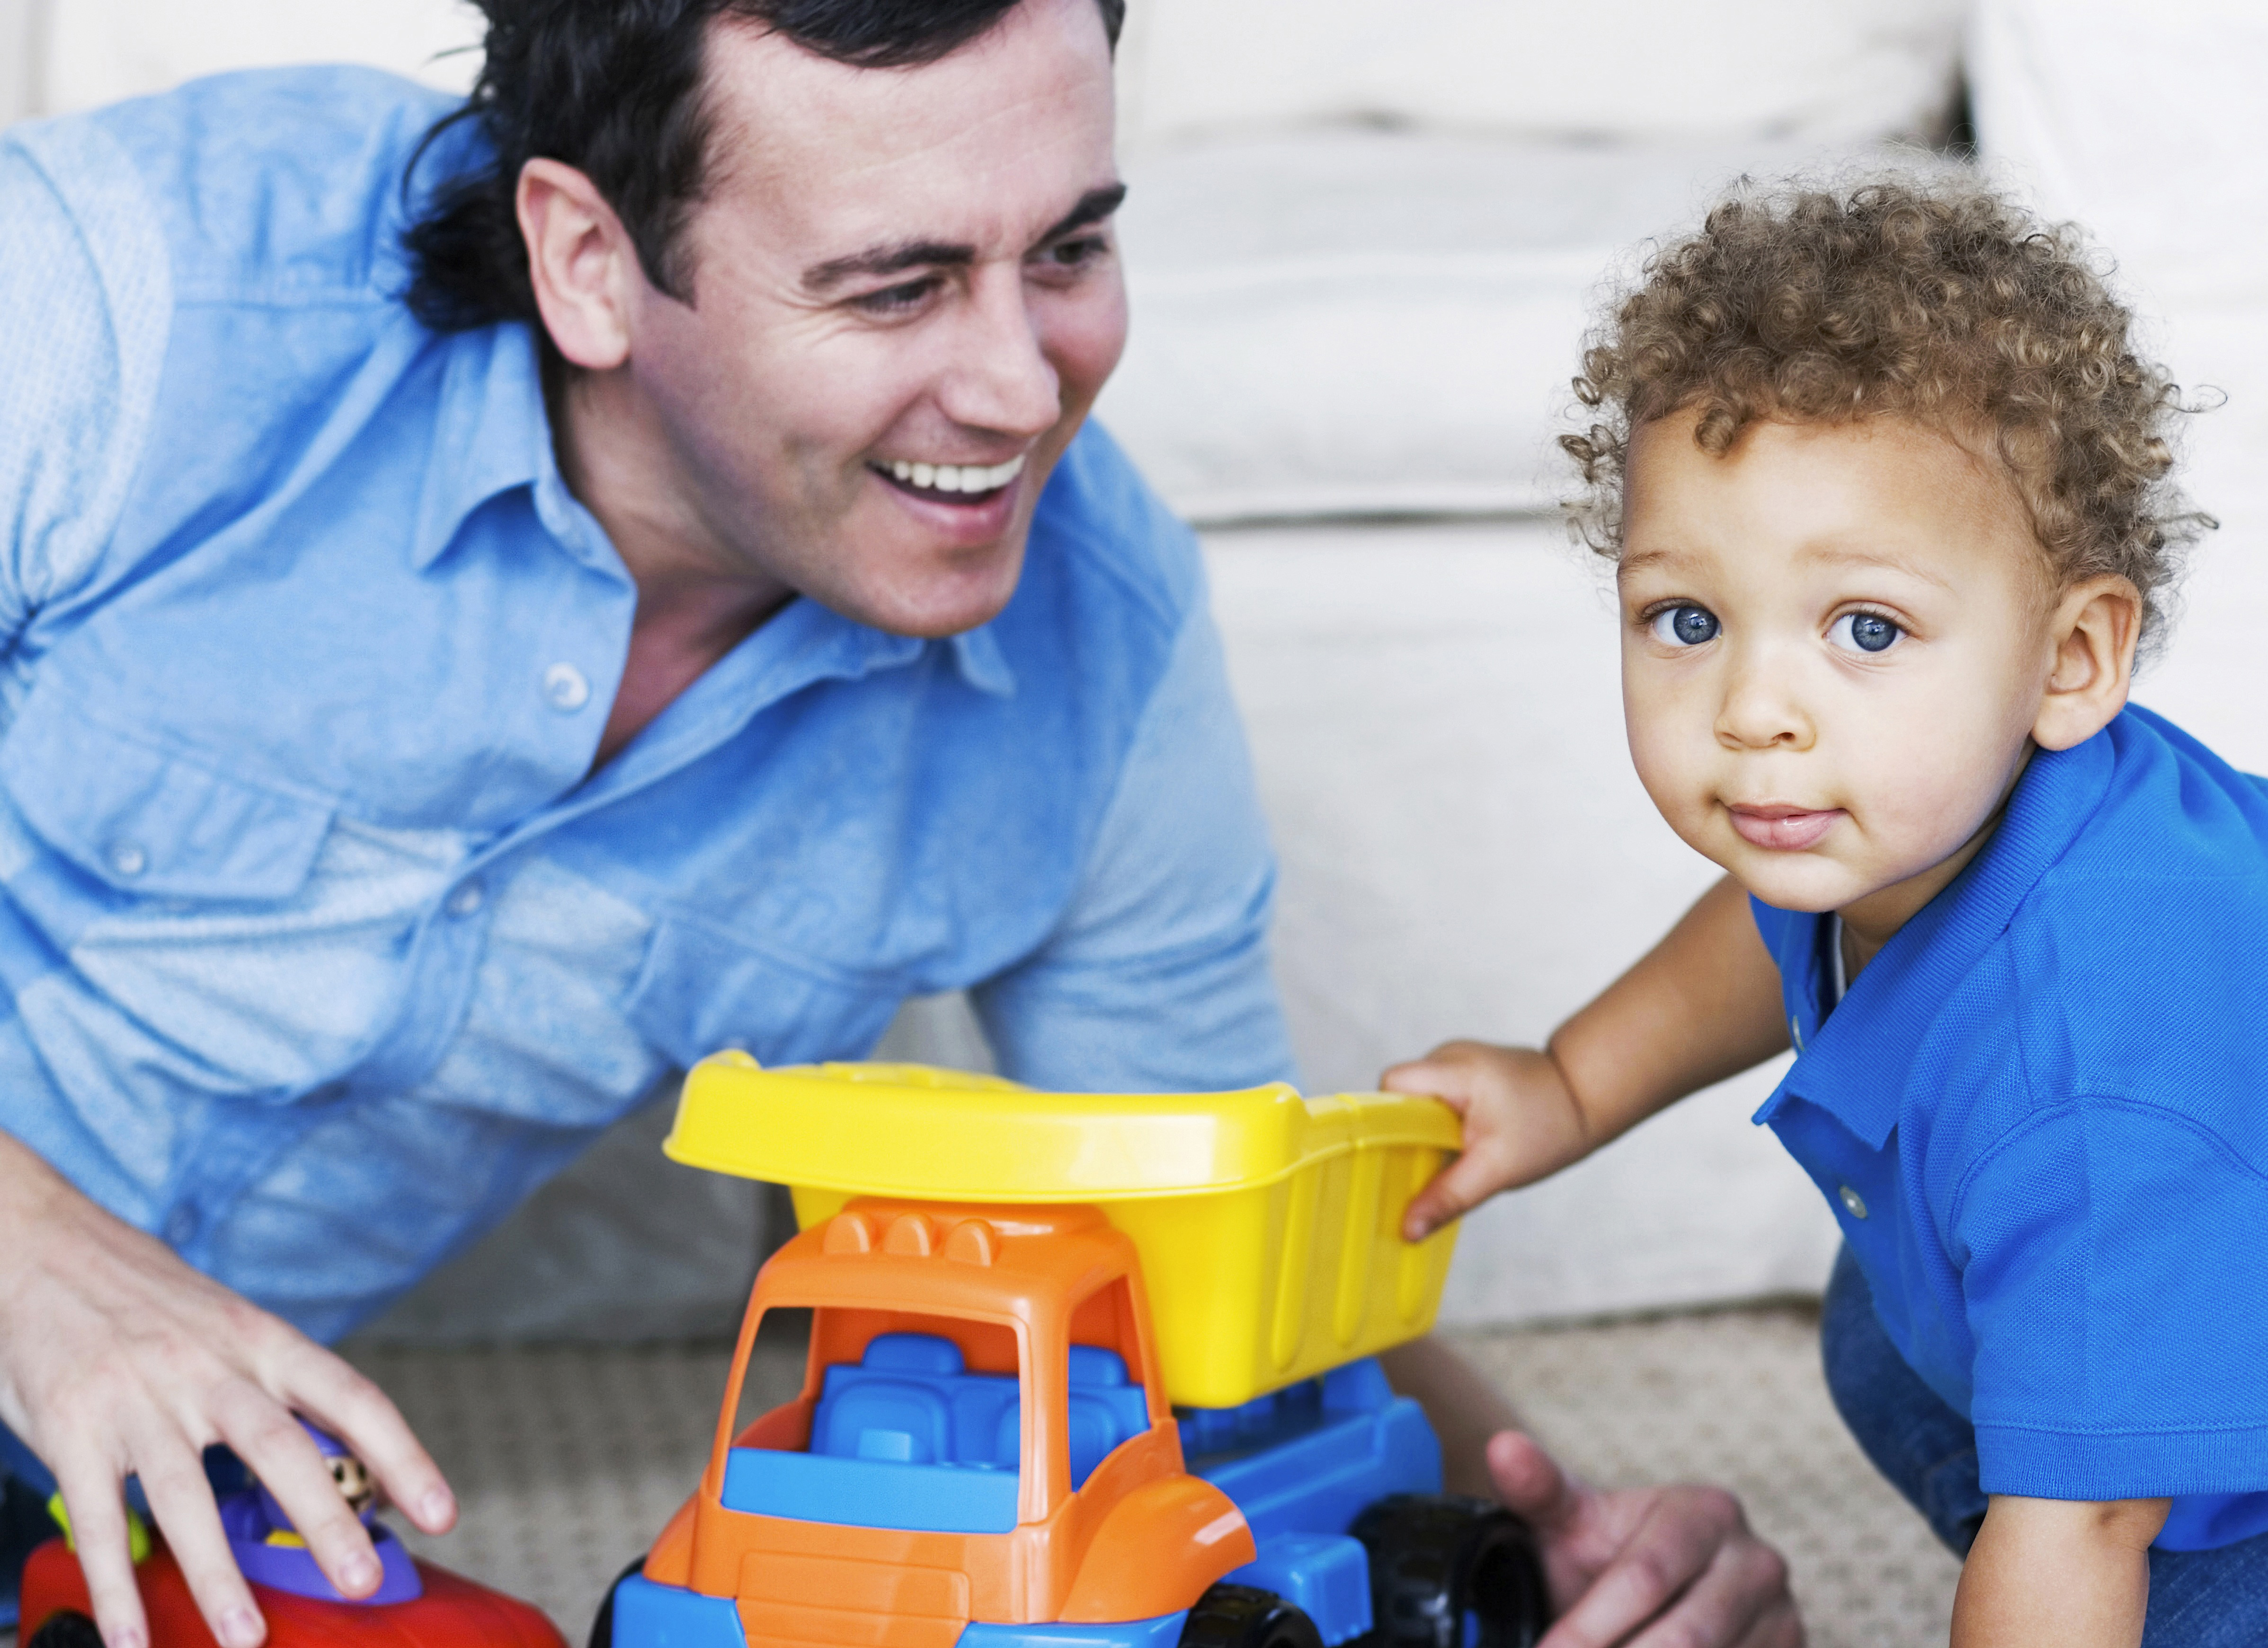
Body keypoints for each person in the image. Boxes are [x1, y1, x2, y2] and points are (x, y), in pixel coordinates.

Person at [0, 4, 1800, 1648]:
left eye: (1073, 249)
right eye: (895, 286)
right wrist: (47, 1267)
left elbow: (1187, 1227)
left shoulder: (1096, 650)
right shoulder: (130, 300)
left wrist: (1540, 1530)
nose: (1026, 390)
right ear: (589, 260)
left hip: (142, 1471)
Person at [1383, 175, 2268, 1648]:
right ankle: (2094, 1440)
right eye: (1685, 619)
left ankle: (2113, 1489)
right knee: (1883, 1328)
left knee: (2156, 1589)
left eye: (1868, 629)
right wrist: (1571, 1083)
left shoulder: (2110, 1064)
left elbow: (2083, 1524)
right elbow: (1760, 940)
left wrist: (2068, 1537)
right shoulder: (1884, 819)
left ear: (2074, 657)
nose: (1757, 709)